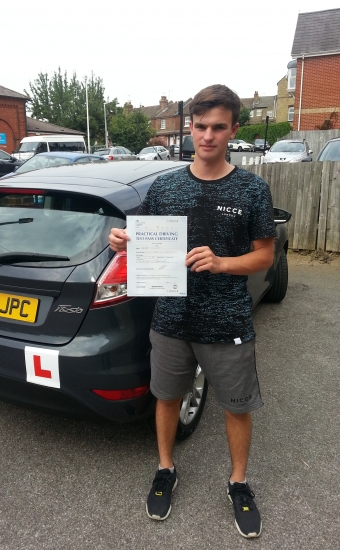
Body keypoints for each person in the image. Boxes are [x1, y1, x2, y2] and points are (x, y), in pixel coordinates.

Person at [109, 84, 276, 539]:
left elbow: (265, 256)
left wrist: (223, 262)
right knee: (166, 397)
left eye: (218, 127)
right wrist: (122, 239)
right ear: (189, 129)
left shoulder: (251, 189)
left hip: (228, 321)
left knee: (237, 407)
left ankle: (238, 482)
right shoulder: (165, 187)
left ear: (233, 130)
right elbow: (142, 239)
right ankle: (165, 469)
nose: (208, 136)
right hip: (171, 322)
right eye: (200, 126)